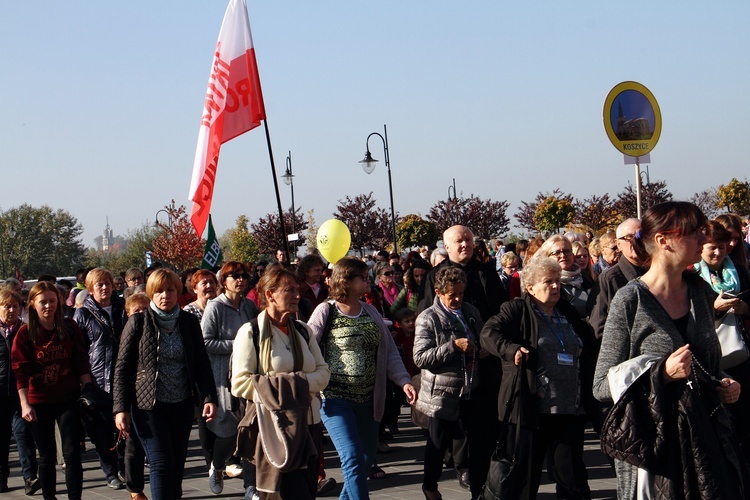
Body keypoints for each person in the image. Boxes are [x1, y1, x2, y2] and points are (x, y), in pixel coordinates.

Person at [593, 201, 746, 498]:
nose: (703, 240)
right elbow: (600, 386)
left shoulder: (700, 292)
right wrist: (661, 373)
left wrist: (722, 381)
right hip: (657, 450)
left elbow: (706, 365)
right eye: (695, 232)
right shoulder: (630, 300)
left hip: (707, 438)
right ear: (663, 241)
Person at [480, 255, 594, 499]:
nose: (555, 286)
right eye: (548, 282)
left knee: (573, 480)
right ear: (530, 287)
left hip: (569, 409)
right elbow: (488, 334)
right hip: (532, 410)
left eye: (557, 281)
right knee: (525, 481)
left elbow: (588, 343)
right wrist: (511, 350)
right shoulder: (517, 309)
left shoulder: (567, 311)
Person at [307, 257, 416, 500]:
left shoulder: (371, 311)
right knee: (352, 457)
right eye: (362, 276)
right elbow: (308, 348)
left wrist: (404, 380)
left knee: (365, 461)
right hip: (335, 399)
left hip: (369, 399)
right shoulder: (326, 310)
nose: (368, 279)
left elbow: (388, 353)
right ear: (345, 281)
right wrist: (309, 385)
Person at [113, 269, 218, 500]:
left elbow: (201, 363)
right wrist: (120, 409)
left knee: (177, 463)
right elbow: (122, 368)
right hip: (148, 405)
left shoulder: (188, 322)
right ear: (151, 293)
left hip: (181, 404)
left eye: (170, 290)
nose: (165, 296)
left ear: (178, 291)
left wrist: (209, 398)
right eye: (159, 291)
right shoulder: (138, 322)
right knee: (161, 462)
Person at [231, 264, 330, 499]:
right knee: (282, 493)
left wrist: (296, 383)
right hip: (275, 428)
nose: (297, 295)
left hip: (309, 424)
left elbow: (324, 373)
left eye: (297, 289)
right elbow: (240, 383)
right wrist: (293, 391)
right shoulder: (251, 332)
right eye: (289, 290)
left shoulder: (304, 331)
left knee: (306, 492)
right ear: (269, 295)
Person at [11, 282, 92, 500]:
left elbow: (80, 359)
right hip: (39, 401)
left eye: (52, 301)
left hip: (68, 397)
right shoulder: (25, 334)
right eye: (43, 302)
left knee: (72, 454)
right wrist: (24, 403)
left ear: (59, 302)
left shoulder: (69, 327)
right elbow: (20, 370)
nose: (48, 306)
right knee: (46, 456)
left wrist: (88, 387)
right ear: (33, 305)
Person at [414, 266, 484, 500]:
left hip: (470, 387)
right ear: (438, 292)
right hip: (440, 394)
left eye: (461, 294)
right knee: (437, 444)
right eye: (452, 295)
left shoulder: (471, 311)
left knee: (473, 443)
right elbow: (420, 357)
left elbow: (481, 338)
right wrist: (452, 347)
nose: (457, 299)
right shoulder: (428, 317)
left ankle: (477, 488)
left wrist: (482, 350)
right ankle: (430, 487)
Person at [201, 262, 259, 495]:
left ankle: (251, 486)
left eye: (244, 276)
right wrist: (237, 344)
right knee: (229, 432)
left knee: (250, 430)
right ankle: (217, 464)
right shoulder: (215, 307)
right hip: (223, 377)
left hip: (248, 375)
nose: (240, 280)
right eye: (234, 276)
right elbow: (205, 341)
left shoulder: (250, 306)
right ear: (223, 281)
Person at [694, 219, 750, 459]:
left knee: (744, 422)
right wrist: (714, 308)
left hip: (740, 353)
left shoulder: (737, 271)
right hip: (711, 358)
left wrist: (743, 307)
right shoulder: (693, 277)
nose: (718, 252)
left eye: (723, 247)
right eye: (712, 247)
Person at [72, 267, 128, 490]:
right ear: (90, 288)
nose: (105, 288)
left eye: (107, 283)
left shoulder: (123, 308)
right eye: (99, 285)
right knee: (102, 430)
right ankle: (110, 471)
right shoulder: (83, 314)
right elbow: (79, 349)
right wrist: (84, 380)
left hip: (123, 376)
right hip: (98, 379)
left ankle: (126, 467)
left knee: (124, 426)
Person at [0, 289, 39, 495]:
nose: (12, 310)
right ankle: (1, 478)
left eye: (15, 306)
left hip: (20, 394)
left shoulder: (25, 330)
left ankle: (30, 477)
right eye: (7, 306)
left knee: (23, 435)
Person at [587, 218, 645, 340]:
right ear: (619, 244)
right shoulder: (609, 279)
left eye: (640, 236)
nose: (636, 242)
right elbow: (599, 327)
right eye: (629, 237)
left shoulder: (658, 273)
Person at [538, 236, 591, 318]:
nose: (563, 255)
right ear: (547, 258)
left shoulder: (585, 277)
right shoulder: (546, 285)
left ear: (572, 255)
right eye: (556, 253)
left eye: (566, 251)